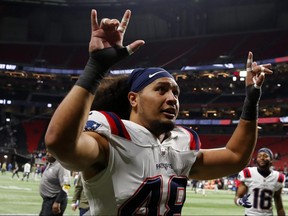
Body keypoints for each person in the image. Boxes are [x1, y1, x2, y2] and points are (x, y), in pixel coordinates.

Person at [44, 8, 273, 215]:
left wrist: (251, 100)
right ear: (133, 99)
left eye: (175, 92)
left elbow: (235, 157)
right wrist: (96, 68)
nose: (172, 98)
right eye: (161, 90)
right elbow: (59, 143)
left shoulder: (179, 144)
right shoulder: (111, 138)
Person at [234, 148, 286, 216]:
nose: (262, 158)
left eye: (265, 156)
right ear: (257, 159)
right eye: (259, 156)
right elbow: (237, 197)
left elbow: (279, 206)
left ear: (271, 160)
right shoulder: (248, 173)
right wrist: (240, 201)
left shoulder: (278, 177)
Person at [39, 151, 71, 216]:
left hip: (55, 200)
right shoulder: (51, 163)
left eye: (50, 152)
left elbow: (67, 186)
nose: (47, 154)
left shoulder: (61, 166)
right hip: (48, 200)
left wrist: (57, 201)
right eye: (47, 151)